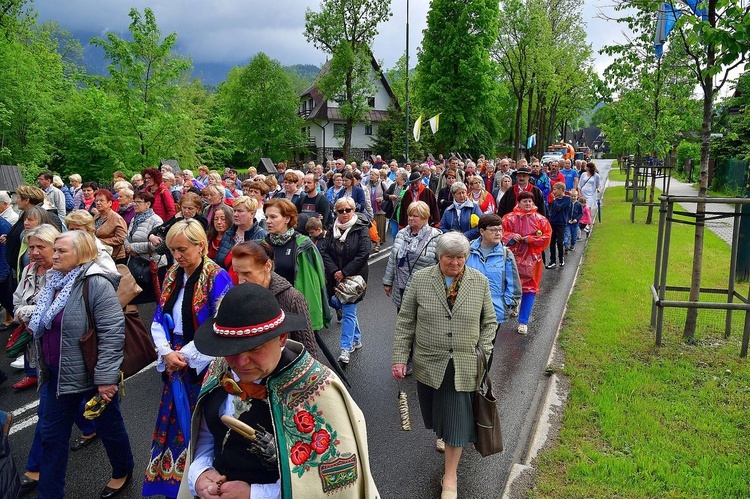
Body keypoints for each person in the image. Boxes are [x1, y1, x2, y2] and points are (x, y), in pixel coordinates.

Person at [178, 284, 379, 498]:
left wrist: (253, 494)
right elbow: (208, 435)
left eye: (254, 349)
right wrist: (200, 474)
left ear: (282, 337)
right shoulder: (220, 368)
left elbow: (334, 484)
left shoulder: (317, 388)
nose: (241, 361)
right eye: (231, 350)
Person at [29, 230, 134, 499]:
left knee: (109, 428)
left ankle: (123, 469)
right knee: (51, 439)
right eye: (55, 250)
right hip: (55, 377)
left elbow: (112, 333)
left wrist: (107, 378)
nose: (54, 255)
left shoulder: (96, 283)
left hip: (91, 376)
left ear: (82, 253)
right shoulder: (53, 281)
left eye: (61, 251)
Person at [392, 232, 497, 499]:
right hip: (429, 362)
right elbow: (406, 321)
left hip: (463, 364)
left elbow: (490, 323)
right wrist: (399, 358)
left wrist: (482, 352)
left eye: (461, 257)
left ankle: (450, 476)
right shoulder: (421, 279)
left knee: (455, 420)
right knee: (436, 416)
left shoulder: (479, 282)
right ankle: (444, 434)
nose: (455, 262)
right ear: (439, 257)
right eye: (450, 257)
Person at [143, 219, 233, 498]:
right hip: (176, 360)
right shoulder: (172, 274)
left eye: (182, 249)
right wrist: (166, 351)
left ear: (201, 246)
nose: (177, 256)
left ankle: (203, 481)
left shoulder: (217, 276)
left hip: (203, 361)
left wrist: (184, 355)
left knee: (202, 425)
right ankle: (174, 483)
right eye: (172, 250)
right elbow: (158, 318)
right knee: (174, 422)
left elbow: (221, 325)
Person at [230, 241, 318, 357]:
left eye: (247, 273)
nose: (240, 280)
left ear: (267, 266)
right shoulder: (237, 298)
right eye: (237, 273)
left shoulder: (292, 299)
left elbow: (309, 352)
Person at [263, 198, 330, 331]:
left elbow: (317, 283)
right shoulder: (262, 244)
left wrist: (318, 314)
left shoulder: (303, 245)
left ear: (287, 219)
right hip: (270, 311)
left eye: (273, 217)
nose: (268, 221)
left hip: (294, 311)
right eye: (266, 217)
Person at [321, 197, 371, 365]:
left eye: (348, 210)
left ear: (353, 210)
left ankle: (345, 349)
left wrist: (345, 272)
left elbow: (364, 253)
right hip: (335, 276)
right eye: (340, 211)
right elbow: (325, 251)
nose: (344, 214)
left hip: (355, 278)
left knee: (349, 310)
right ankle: (356, 338)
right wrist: (335, 271)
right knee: (339, 305)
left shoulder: (361, 228)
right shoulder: (332, 227)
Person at [502, 191, 552, 335]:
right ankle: (514, 305)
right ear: (519, 202)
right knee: (510, 285)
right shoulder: (509, 218)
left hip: (532, 260)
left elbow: (546, 237)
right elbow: (500, 234)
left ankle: (523, 321)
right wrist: (511, 236)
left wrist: (530, 239)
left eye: (530, 201)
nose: (528, 203)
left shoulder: (541, 220)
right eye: (525, 201)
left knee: (530, 289)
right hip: (512, 258)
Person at [467, 214, 521, 334]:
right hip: (468, 310)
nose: (498, 233)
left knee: (488, 349)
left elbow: (514, 285)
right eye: (493, 230)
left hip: (494, 312)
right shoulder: (467, 250)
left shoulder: (506, 254)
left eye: (500, 229)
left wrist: (506, 305)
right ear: (482, 231)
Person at [383, 201, 441, 311]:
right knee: (403, 322)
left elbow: (441, 266)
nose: (411, 218)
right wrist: (388, 281)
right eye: (410, 215)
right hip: (401, 286)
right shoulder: (402, 233)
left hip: (423, 291)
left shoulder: (436, 237)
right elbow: (392, 259)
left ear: (425, 218)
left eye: (415, 216)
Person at [125, 190, 167, 303]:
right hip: (135, 263)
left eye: (138, 202)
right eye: (134, 201)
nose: (135, 204)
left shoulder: (156, 220)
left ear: (148, 204)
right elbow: (127, 237)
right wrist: (128, 247)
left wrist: (133, 248)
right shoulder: (135, 219)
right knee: (134, 299)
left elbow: (158, 245)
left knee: (152, 301)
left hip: (151, 265)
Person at [215, 196, 267, 276]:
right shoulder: (228, 233)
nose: (235, 214)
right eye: (234, 210)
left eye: (240, 211)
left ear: (252, 214)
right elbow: (219, 261)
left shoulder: (262, 236)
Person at [93, 189, 128, 264]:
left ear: (110, 203)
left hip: (114, 256)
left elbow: (121, 238)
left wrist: (100, 241)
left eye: (102, 200)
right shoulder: (97, 216)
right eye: (96, 201)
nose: (98, 203)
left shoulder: (117, 218)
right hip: (100, 254)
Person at [546, 182, 572, 269]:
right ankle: (552, 260)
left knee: (560, 242)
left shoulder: (567, 199)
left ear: (561, 189)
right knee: (552, 242)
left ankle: (561, 259)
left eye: (554, 189)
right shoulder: (555, 200)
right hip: (553, 222)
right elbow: (552, 211)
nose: (553, 191)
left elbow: (559, 208)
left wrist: (554, 200)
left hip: (561, 223)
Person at [386, 168, 409, 242]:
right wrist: (390, 196)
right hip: (393, 213)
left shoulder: (407, 186)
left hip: (403, 214)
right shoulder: (393, 185)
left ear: (402, 177)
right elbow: (385, 194)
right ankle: (395, 250)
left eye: (397, 176)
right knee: (394, 234)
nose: (395, 177)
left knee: (403, 234)